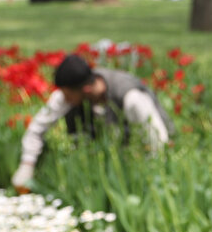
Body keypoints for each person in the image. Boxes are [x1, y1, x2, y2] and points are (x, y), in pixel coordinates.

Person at [11, 54, 174, 191]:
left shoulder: (131, 97)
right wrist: (27, 165)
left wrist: (149, 176)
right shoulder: (71, 93)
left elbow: (157, 140)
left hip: (137, 163)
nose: (65, 99)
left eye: (67, 95)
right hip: (101, 171)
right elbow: (37, 128)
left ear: (86, 90)